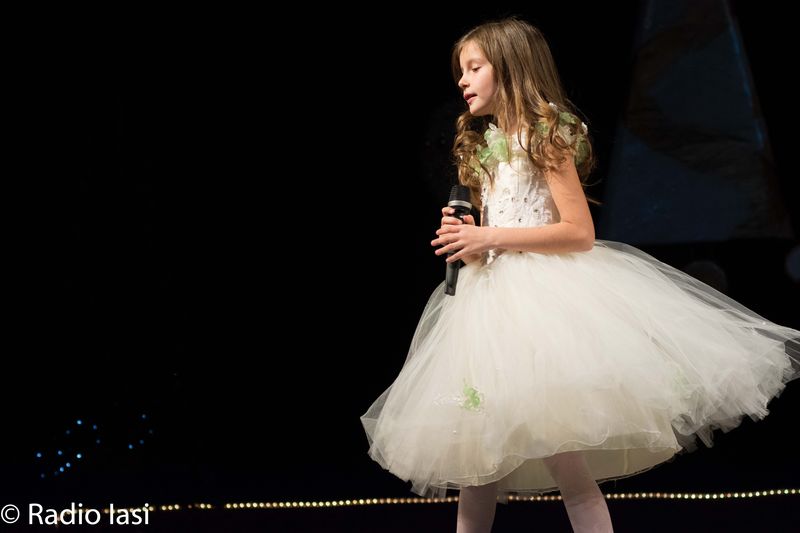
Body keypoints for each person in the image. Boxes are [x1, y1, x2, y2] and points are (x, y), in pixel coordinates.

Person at [360, 17, 800, 533]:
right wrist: (471, 244)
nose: (463, 80)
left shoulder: (546, 136)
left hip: (543, 306)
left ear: (509, 68)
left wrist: (490, 236)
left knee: (567, 462)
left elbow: (578, 232)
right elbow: (498, 237)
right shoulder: (485, 150)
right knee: (476, 464)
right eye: (462, 70)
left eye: (474, 68)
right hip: (490, 310)